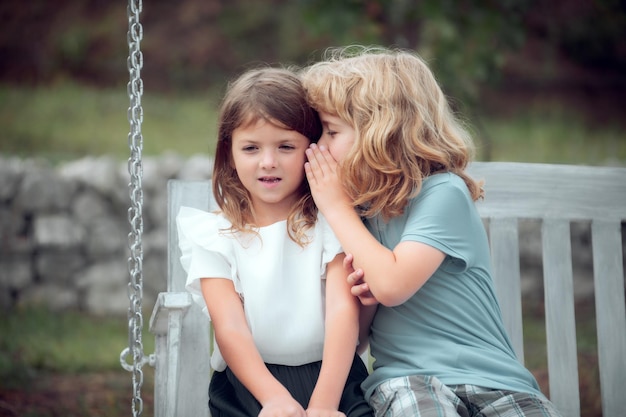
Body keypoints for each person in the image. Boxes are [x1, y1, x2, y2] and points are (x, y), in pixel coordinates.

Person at [301, 46, 562, 417]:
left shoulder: (443, 193)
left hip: (495, 381)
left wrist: (337, 208)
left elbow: (392, 284)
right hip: (409, 378)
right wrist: (366, 302)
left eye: (330, 131)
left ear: (381, 132)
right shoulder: (358, 213)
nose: (319, 146)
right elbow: (359, 338)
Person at [177, 66, 373, 417]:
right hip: (249, 382)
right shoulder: (214, 236)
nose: (268, 162)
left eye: (286, 146)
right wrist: (274, 399)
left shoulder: (332, 222)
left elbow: (344, 313)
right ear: (229, 152)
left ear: (313, 149)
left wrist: (325, 404)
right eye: (251, 147)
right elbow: (229, 326)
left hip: (334, 377)